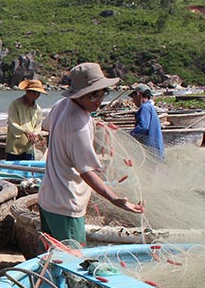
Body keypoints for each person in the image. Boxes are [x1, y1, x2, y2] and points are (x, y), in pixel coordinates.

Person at [37, 63, 143, 246]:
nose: (98, 100)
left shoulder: (60, 105)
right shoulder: (80, 125)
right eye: (92, 95)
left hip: (47, 199)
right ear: (79, 95)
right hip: (67, 205)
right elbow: (86, 172)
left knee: (52, 256)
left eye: (102, 93)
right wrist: (115, 199)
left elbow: (45, 126)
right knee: (72, 261)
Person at [5, 78, 46, 160]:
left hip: (29, 145)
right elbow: (12, 122)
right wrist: (25, 131)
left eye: (38, 93)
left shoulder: (38, 109)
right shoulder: (15, 104)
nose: (36, 95)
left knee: (28, 169)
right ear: (27, 92)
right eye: (34, 92)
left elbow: (38, 126)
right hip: (15, 145)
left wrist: (34, 134)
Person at [129, 83, 164, 160]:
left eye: (133, 97)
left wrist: (130, 135)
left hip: (150, 149)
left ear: (138, 94)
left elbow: (143, 127)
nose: (133, 101)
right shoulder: (150, 107)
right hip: (156, 148)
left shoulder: (145, 107)